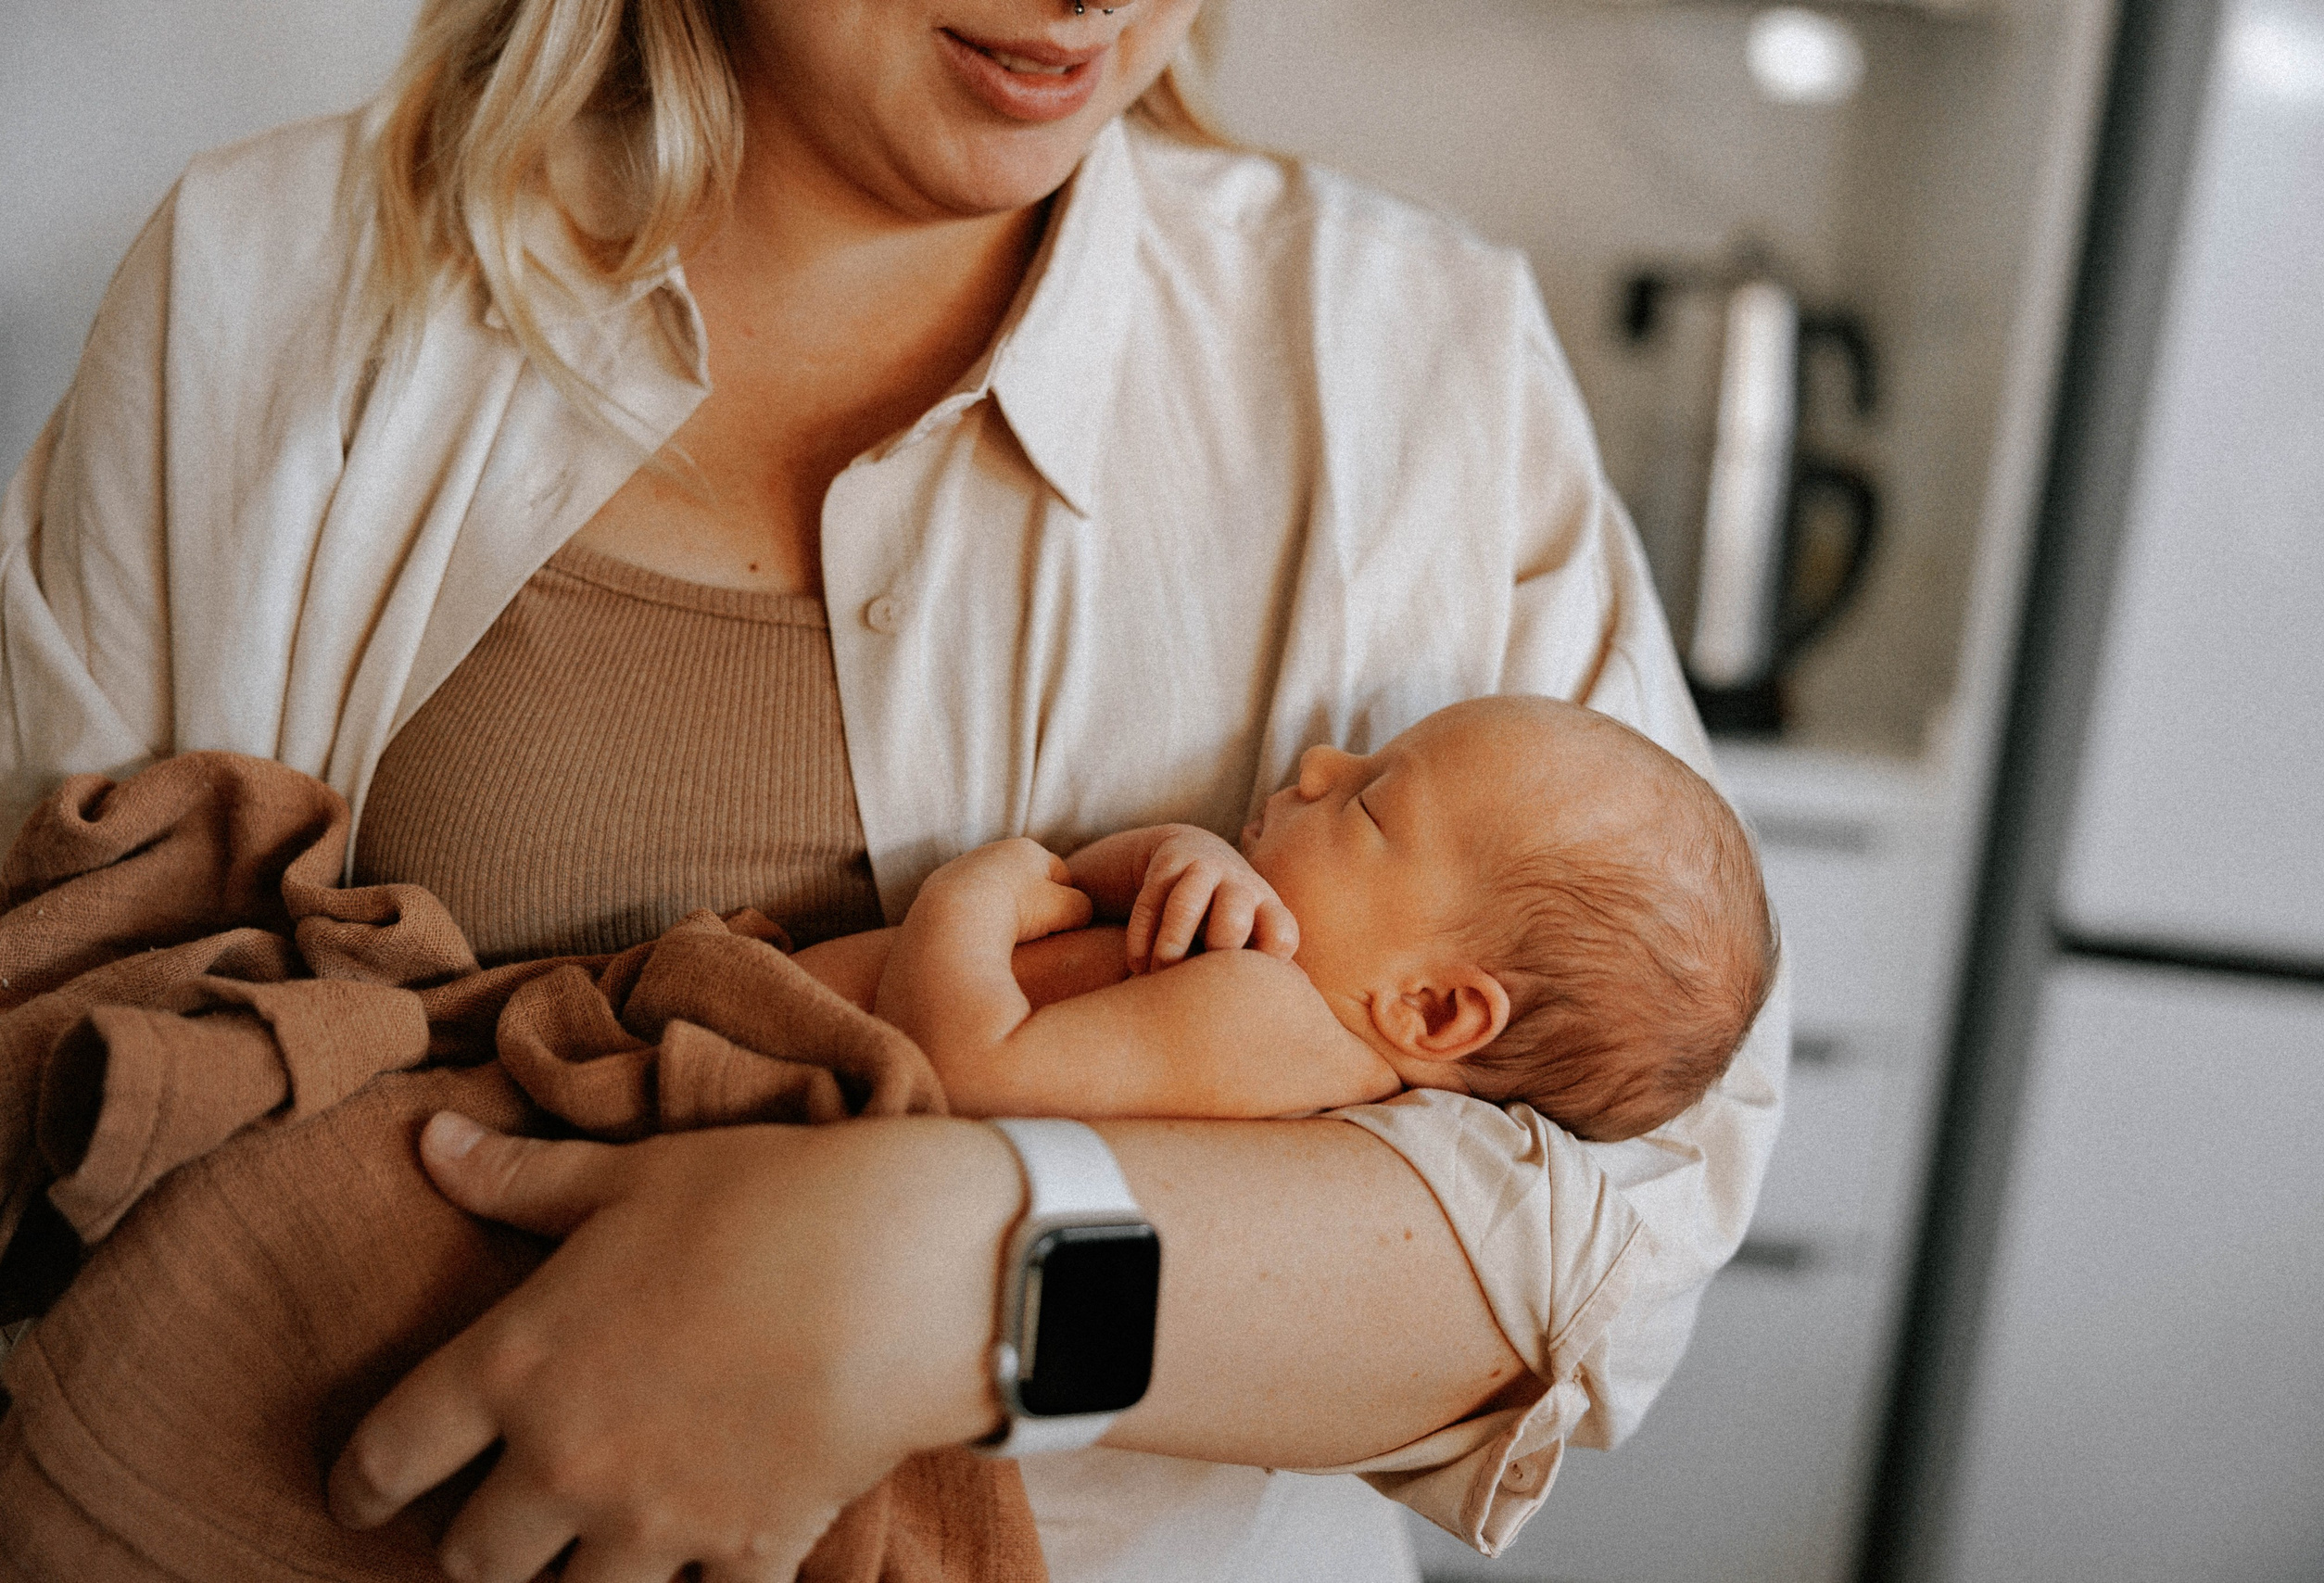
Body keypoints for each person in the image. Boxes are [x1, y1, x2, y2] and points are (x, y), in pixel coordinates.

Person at [0, 2, 1788, 1579]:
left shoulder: (1414, 358)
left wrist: (944, 1279)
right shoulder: (269, 279)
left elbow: (1604, 1231)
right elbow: (66, 999)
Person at [808, 696, 1776, 1144]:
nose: (1318, 762)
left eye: (1365, 806)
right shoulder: (1276, 993)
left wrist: (965, 895)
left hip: (775, 1065)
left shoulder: (1264, 1023)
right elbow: (1079, 903)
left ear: (1432, 1009)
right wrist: (1168, 859)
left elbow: (963, 1074)